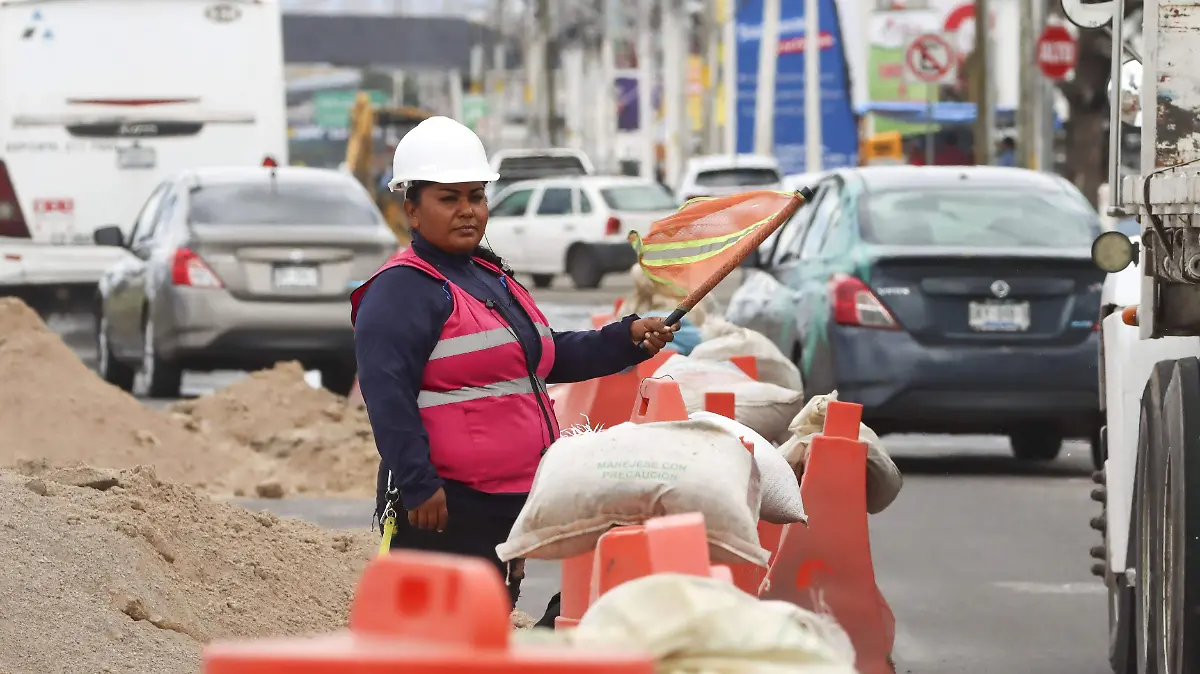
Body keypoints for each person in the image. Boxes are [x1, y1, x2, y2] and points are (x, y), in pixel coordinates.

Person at [349, 116, 677, 608]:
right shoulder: (402, 290)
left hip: (507, 503)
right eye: (449, 198)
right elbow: (386, 395)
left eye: (476, 196)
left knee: (486, 634)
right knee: (442, 643)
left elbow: (541, 357)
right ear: (412, 210)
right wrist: (419, 486)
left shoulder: (486, 274)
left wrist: (623, 340)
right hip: (448, 508)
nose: (468, 211)